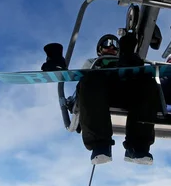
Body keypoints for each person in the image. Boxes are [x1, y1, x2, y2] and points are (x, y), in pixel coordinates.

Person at [42, 33, 161, 166]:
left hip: (126, 92)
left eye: (115, 45)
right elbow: (83, 82)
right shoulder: (93, 62)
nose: (110, 47)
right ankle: (100, 145)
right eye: (106, 44)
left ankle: (138, 147)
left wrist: (130, 59)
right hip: (99, 94)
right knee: (92, 78)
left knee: (147, 84)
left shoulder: (125, 60)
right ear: (99, 50)